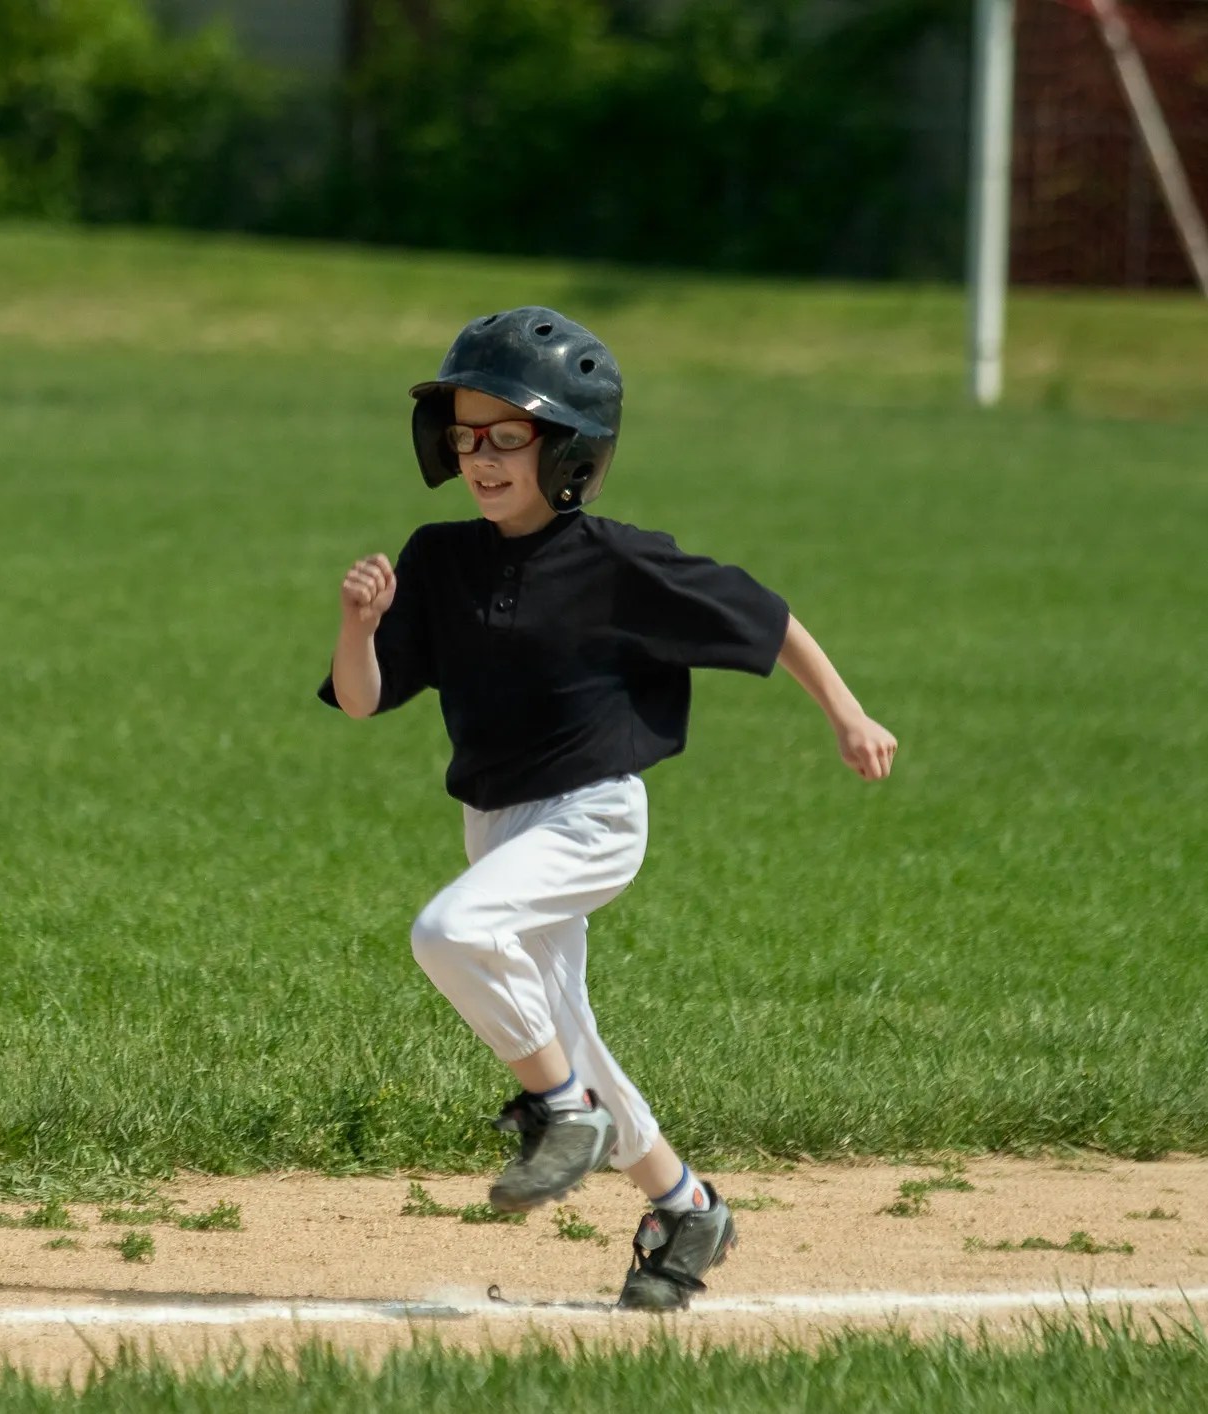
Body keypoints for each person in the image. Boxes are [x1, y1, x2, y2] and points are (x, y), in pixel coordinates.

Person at [320, 307, 896, 1311]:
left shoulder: (618, 563)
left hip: (590, 818)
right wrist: (357, 624)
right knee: (569, 1030)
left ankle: (560, 1110)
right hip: (496, 824)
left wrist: (848, 714)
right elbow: (362, 699)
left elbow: (765, 619)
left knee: (449, 930)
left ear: (571, 450)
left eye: (511, 435)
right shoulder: (441, 558)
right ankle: (682, 1205)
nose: (483, 457)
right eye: (467, 435)